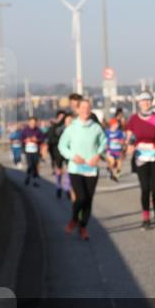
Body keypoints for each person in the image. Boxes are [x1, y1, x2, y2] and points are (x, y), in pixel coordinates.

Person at [58, 97, 108, 241]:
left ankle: (83, 227)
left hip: (91, 168)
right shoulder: (72, 128)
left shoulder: (96, 127)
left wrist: (97, 155)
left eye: (88, 107)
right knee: (81, 197)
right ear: (77, 110)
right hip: (76, 168)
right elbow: (62, 146)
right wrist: (72, 156)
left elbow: (103, 142)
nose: (85, 110)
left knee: (89, 199)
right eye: (83, 108)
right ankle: (74, 219)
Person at [125, 91, 155, 230]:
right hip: (140, 157)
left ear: (152, 102)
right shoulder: (134, 119)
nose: (146, 103)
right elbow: (129, 137)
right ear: (139, 103)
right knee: (145, 188)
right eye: (143, 100)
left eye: (148, 100)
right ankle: (146, 217)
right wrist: (129, 146)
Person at [46, 109, 70, 199]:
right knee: (59, 169)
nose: (62, 119)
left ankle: (67, 188)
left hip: (68, 152)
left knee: (69, 169)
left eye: (63, 117)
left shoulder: (69, 127)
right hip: (57, 151)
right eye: (60, 117)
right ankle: (59, 186)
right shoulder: (54, 127)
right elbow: (50, 140)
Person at [19, 117, 48, 187]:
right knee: (30, 165)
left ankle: (35, 181)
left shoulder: (38, 130)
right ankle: (28, 176)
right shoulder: (25, 130)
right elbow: (21, 139)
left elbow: (43, 138)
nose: (33, 124)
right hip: (28, 151)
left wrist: (36, 140)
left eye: (34, 123)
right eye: (31, 123)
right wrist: (26, 140)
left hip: (36, 151)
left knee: (35, 165)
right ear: (29, 123)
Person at [105, 116, 125, 182]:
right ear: (112, 124)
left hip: (118, 150)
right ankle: (109, 169)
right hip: (110, 150)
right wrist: (105, 145)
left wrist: (120, 141)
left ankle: (115, 175)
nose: (116, 126)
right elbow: (103, 139)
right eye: (115, 124)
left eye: (117, 125)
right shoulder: (107, 132)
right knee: (112, 162)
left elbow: (122, 140)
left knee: (118, 165)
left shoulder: (119, 132)